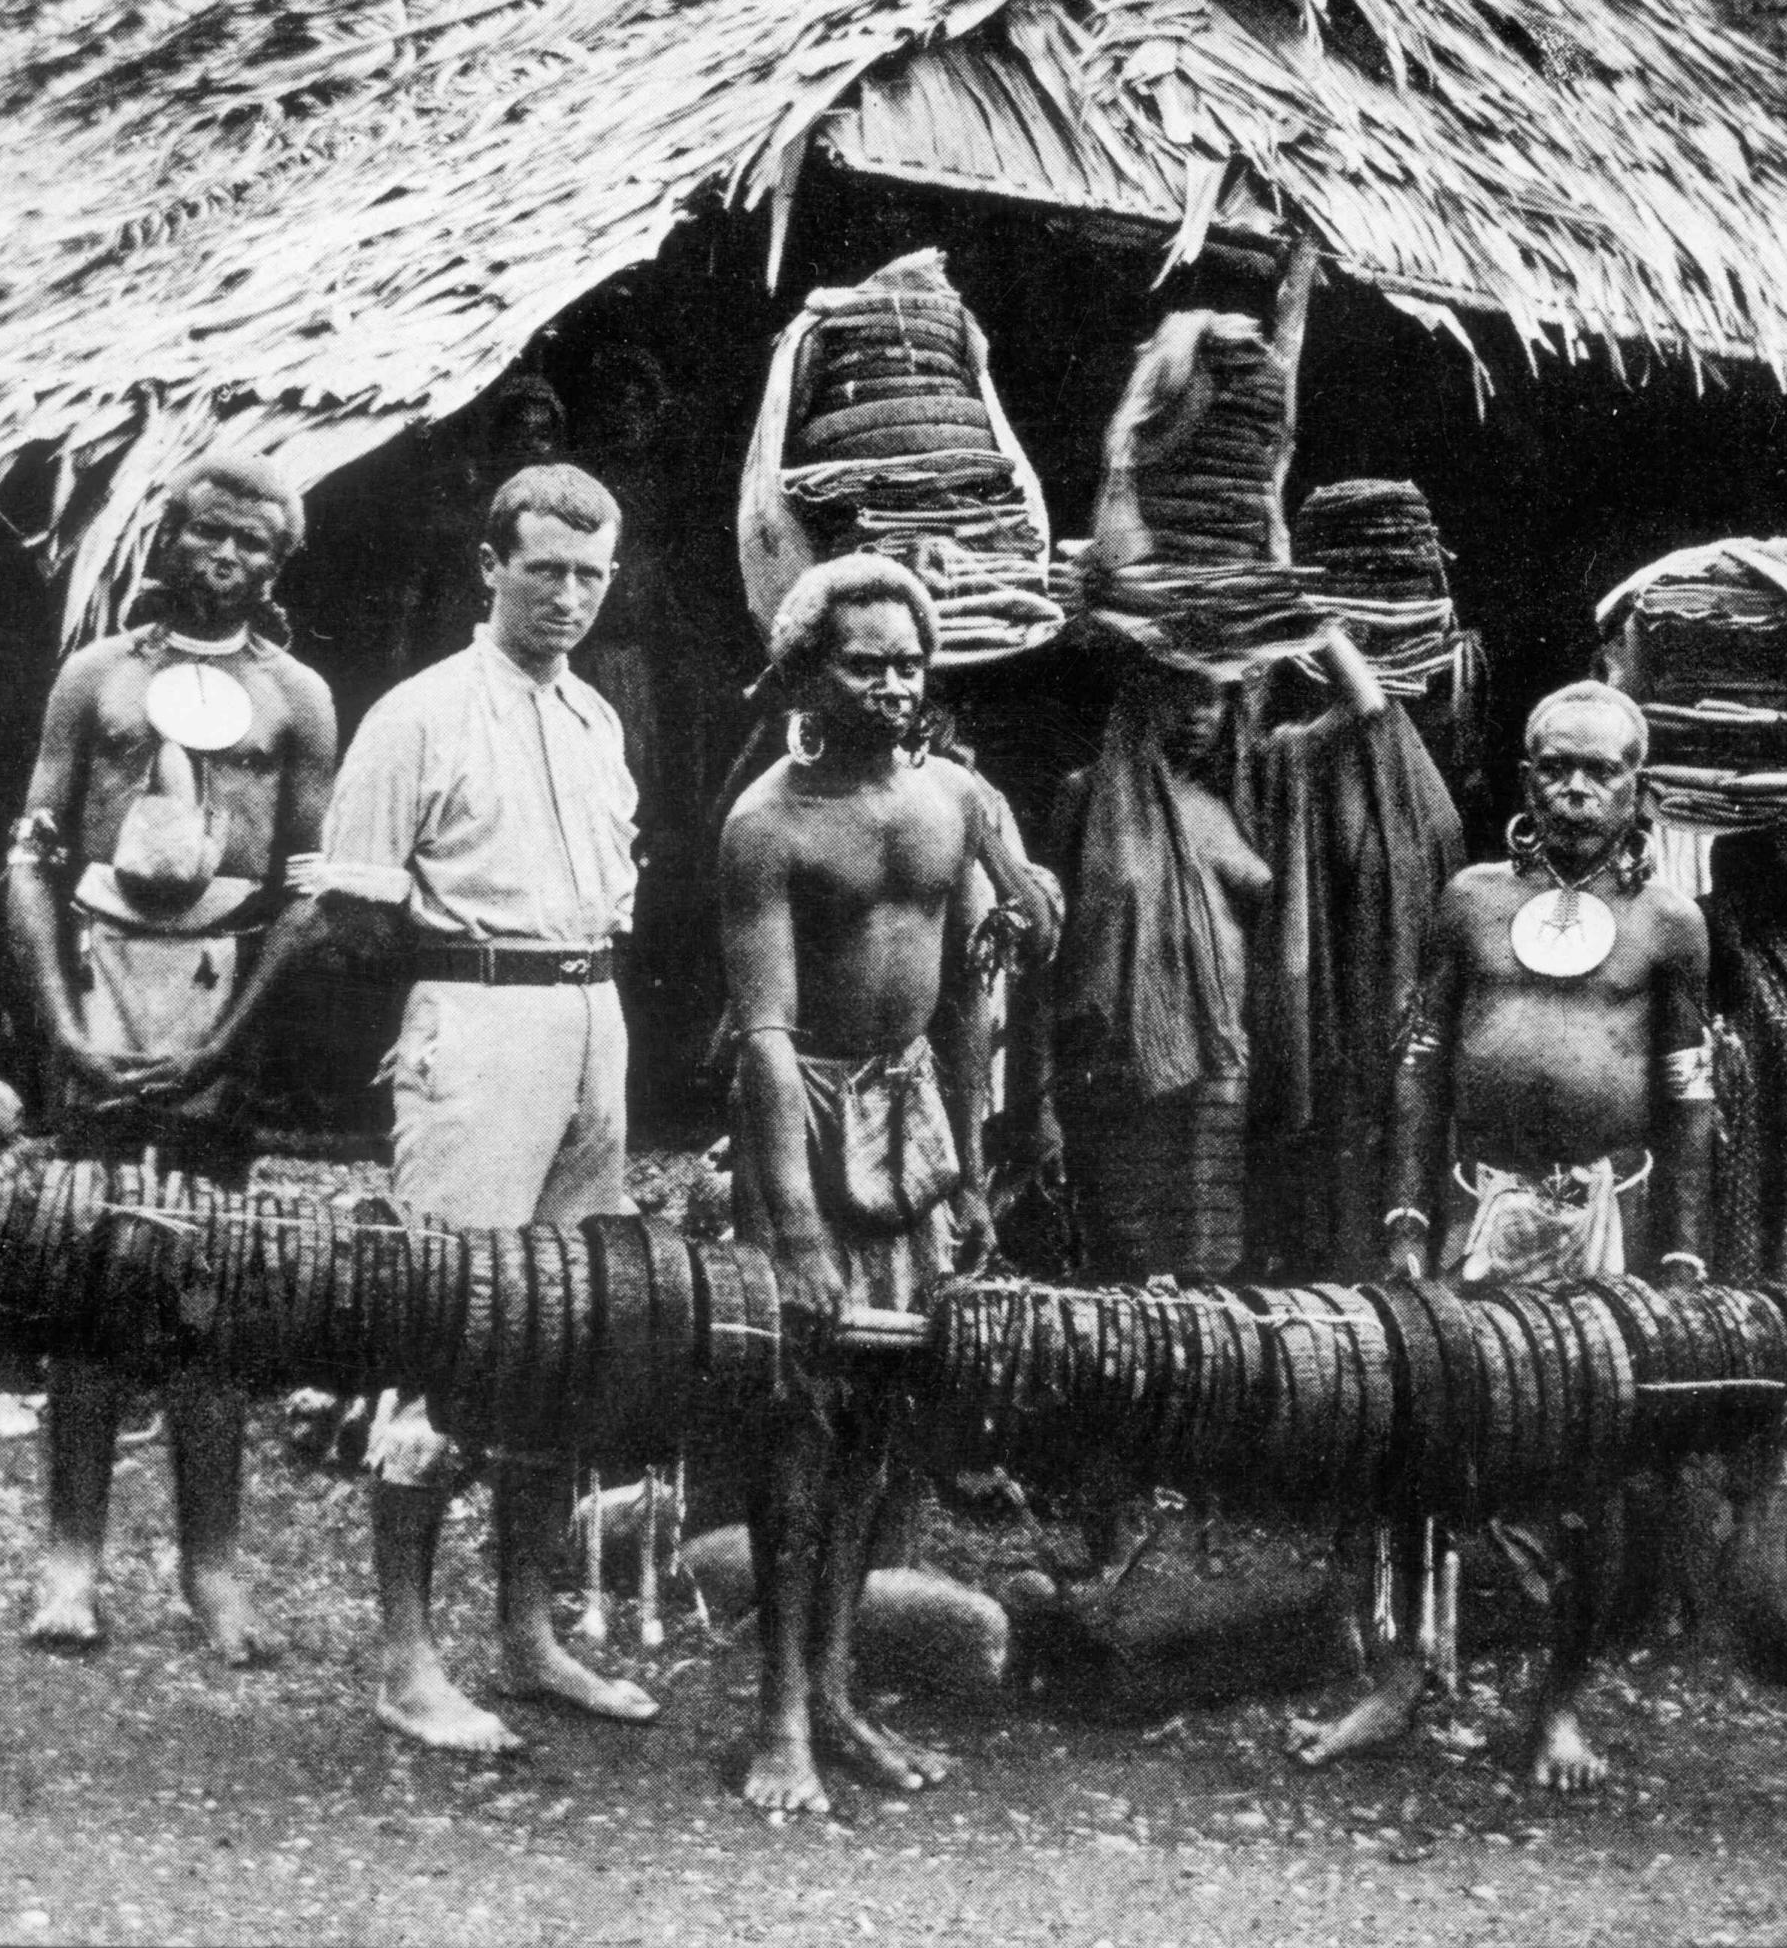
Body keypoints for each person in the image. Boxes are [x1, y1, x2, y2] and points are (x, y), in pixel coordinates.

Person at [170, 461, 655, 1753]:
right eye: (542, 570)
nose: (565, 597)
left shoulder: (596, 725)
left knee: (561, 1336)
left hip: (589, 1023)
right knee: (444, 1332)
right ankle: (406, 1659)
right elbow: (350, 915)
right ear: (490, 567)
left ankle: (528, 1630)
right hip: (475, 1021)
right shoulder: (418, 717)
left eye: (589, 575)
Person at [1290, 682, 1716, 1787]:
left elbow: (1689, 1099)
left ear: (1641, 788)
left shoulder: (1670, 925)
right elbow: (1421, 1072)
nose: (1576, 788)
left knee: (1593, 1462)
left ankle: (1560, 1704)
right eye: (1554, 767)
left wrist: (1683, 1256)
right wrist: (1404, 1216)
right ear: (1525, 778)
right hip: (1479, 1213)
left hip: (1602, 1226)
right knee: (1417, 1436)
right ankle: (1399, 1679)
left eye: (1601, 770)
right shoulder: (1472, 901)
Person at [0, 452, 336, 1662]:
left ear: (276, 562)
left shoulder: (297, 696)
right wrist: (65, 1025)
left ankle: (213, 1569)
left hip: (220, 999)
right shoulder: (96, 675)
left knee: (211, 1283)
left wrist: (234, 1042)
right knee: (88, 1274)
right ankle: (72, 1560)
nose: (226, 561)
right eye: (207, 537)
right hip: (101, 981)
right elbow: (32, 857)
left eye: (253, 546)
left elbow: (308, 898)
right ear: (167, 536)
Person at [715, 555, 1004, 1813]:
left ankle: (837, 1693)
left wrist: (971, 1170)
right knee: (797, 1425)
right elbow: (768, 1035)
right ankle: (778, 1715)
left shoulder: (951, 801)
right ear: (802, 674)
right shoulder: (767, 824)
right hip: (808, 1118)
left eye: (908, 663)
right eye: (863, 664)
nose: (893, 686)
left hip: (913, 1121)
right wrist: (792, 1226)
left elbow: (968, 1006)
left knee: (880, 1430)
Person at [1045, 630, 1388, 1282]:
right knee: (1123, 1263)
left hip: (1219, 1056)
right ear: (1146, 698)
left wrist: (1309, 621)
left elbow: (1364, 709)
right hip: (1115, 1064)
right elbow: (1054, 950)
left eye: (1218, 697)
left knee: (1207, 1260)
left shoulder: (1246, 786)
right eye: (1185, 695)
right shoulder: (1088, 797)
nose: (1203, 714)